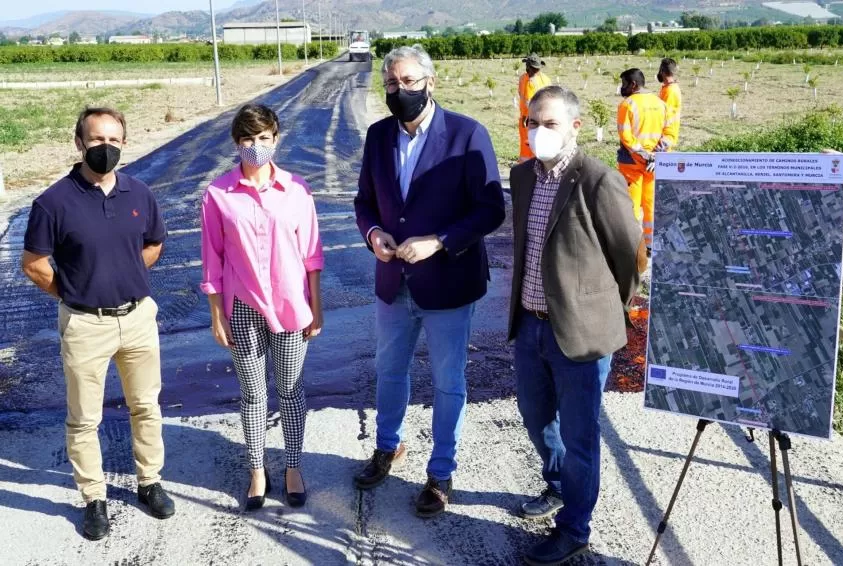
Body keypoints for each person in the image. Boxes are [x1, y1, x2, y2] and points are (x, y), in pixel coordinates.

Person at [353, 44, 505, 517]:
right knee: (389, 371)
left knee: (447, 381)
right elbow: (364, 202)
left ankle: (441, 472)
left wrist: (439, 241)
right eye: (392, 83)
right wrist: (374, 234)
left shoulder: (466, 134)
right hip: (393, 281)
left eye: (409, 81)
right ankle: (387, 447)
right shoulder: (378, 135)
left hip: (448, 283)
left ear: (430, 83)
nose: (400, 90)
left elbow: (491, 209)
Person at [21, 107, 174, 540]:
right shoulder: (53, 202)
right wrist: (74, 291)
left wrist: (126, 275)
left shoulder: (139, 194)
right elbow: (33, 264)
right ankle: (94, 498)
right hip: (85, 325)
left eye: (113, 140)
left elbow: (154, 244)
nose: (105, 148)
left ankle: (149, 482)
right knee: (85, 418)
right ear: (79, 143)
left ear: (124, 143)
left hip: (138, 318)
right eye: (96, 140)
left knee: (146, 405)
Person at [508, 86, 646, 565]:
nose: (538, 132)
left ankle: (574, 528)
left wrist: (606, 306)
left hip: (580, 334)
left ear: (575, 127)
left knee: (580, 436)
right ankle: (557, 485)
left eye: (549, 123)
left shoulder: (598, 180)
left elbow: (629, 255)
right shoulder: (521, 176)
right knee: (535, 417)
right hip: (530, 325)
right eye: (532, 123)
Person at [200, 103, 324, 511]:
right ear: (237, 143)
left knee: (290, 389)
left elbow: (312, 254)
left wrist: (317, 307)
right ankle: (256, 469)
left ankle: (293, 466)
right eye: (248, 139)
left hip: (291, 305)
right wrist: (217, 315)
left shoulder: (297, 190)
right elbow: (213, 259)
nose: (257, 146)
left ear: (276, 138)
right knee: (253, 394)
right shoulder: (218, 195)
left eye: (264, 138)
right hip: (243, 308)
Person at [617, 68, 675, 254]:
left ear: (633, 84)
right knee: (651, 205)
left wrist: (644, 154)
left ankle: (633, 247)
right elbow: (670, 134)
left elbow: (626, 136)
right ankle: (651, 245)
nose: (622, 87)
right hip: (654, 165)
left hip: (631, 165)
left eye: (624, 83)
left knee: (631, 205)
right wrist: (656, 155)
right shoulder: (661, 104)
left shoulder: (627, 105)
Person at [518, 53, 552, 163]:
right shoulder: (523, 79)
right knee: (526, 146)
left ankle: (535, 166)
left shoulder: (541, 80)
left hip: (536, 120)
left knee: (535, 145)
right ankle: (526, 167)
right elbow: (522, 97)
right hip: (527, 119)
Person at [657, 58, 682, 149]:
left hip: (666, 137)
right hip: (666, 134)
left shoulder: (670, 91)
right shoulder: (668, 88)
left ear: (662, 71)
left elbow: (664, 115)